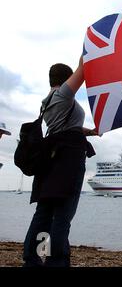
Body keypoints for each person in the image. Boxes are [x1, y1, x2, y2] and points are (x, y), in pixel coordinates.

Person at [23, 58, 98, 267]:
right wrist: (88, 46)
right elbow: (82, 69)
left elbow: (62, 127)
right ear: (66, 79)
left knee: (44, 213)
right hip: (68, 161)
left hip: (53, 160)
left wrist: (90, 132)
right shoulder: (64, 94)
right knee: (63, 215)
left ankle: (33, 259)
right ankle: (57, 262)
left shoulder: (46, 101)